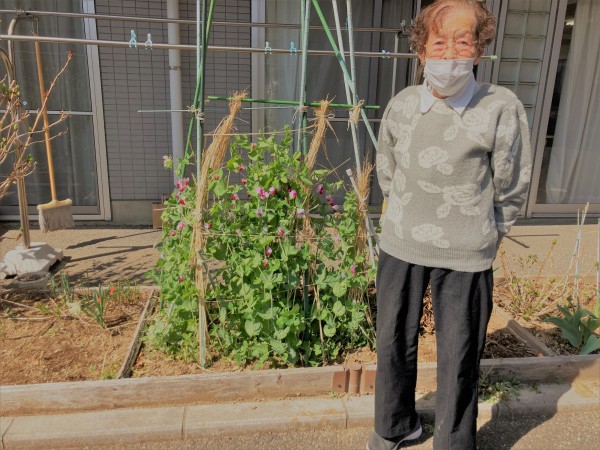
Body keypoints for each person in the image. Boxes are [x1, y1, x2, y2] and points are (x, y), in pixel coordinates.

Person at [368, 1, 532, 449]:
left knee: (460, 353)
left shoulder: (500, 107)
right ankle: (394, 426)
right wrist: (407, 213)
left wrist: (488, 233)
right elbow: (387, 169)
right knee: (391, 342)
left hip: (467, 250)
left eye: (463, 42)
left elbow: (511, 182)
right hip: (401, 243)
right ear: (421, 51)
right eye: (438, 43)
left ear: (479, 49)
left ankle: (454, 442)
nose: (450, 53)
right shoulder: (403, 104)